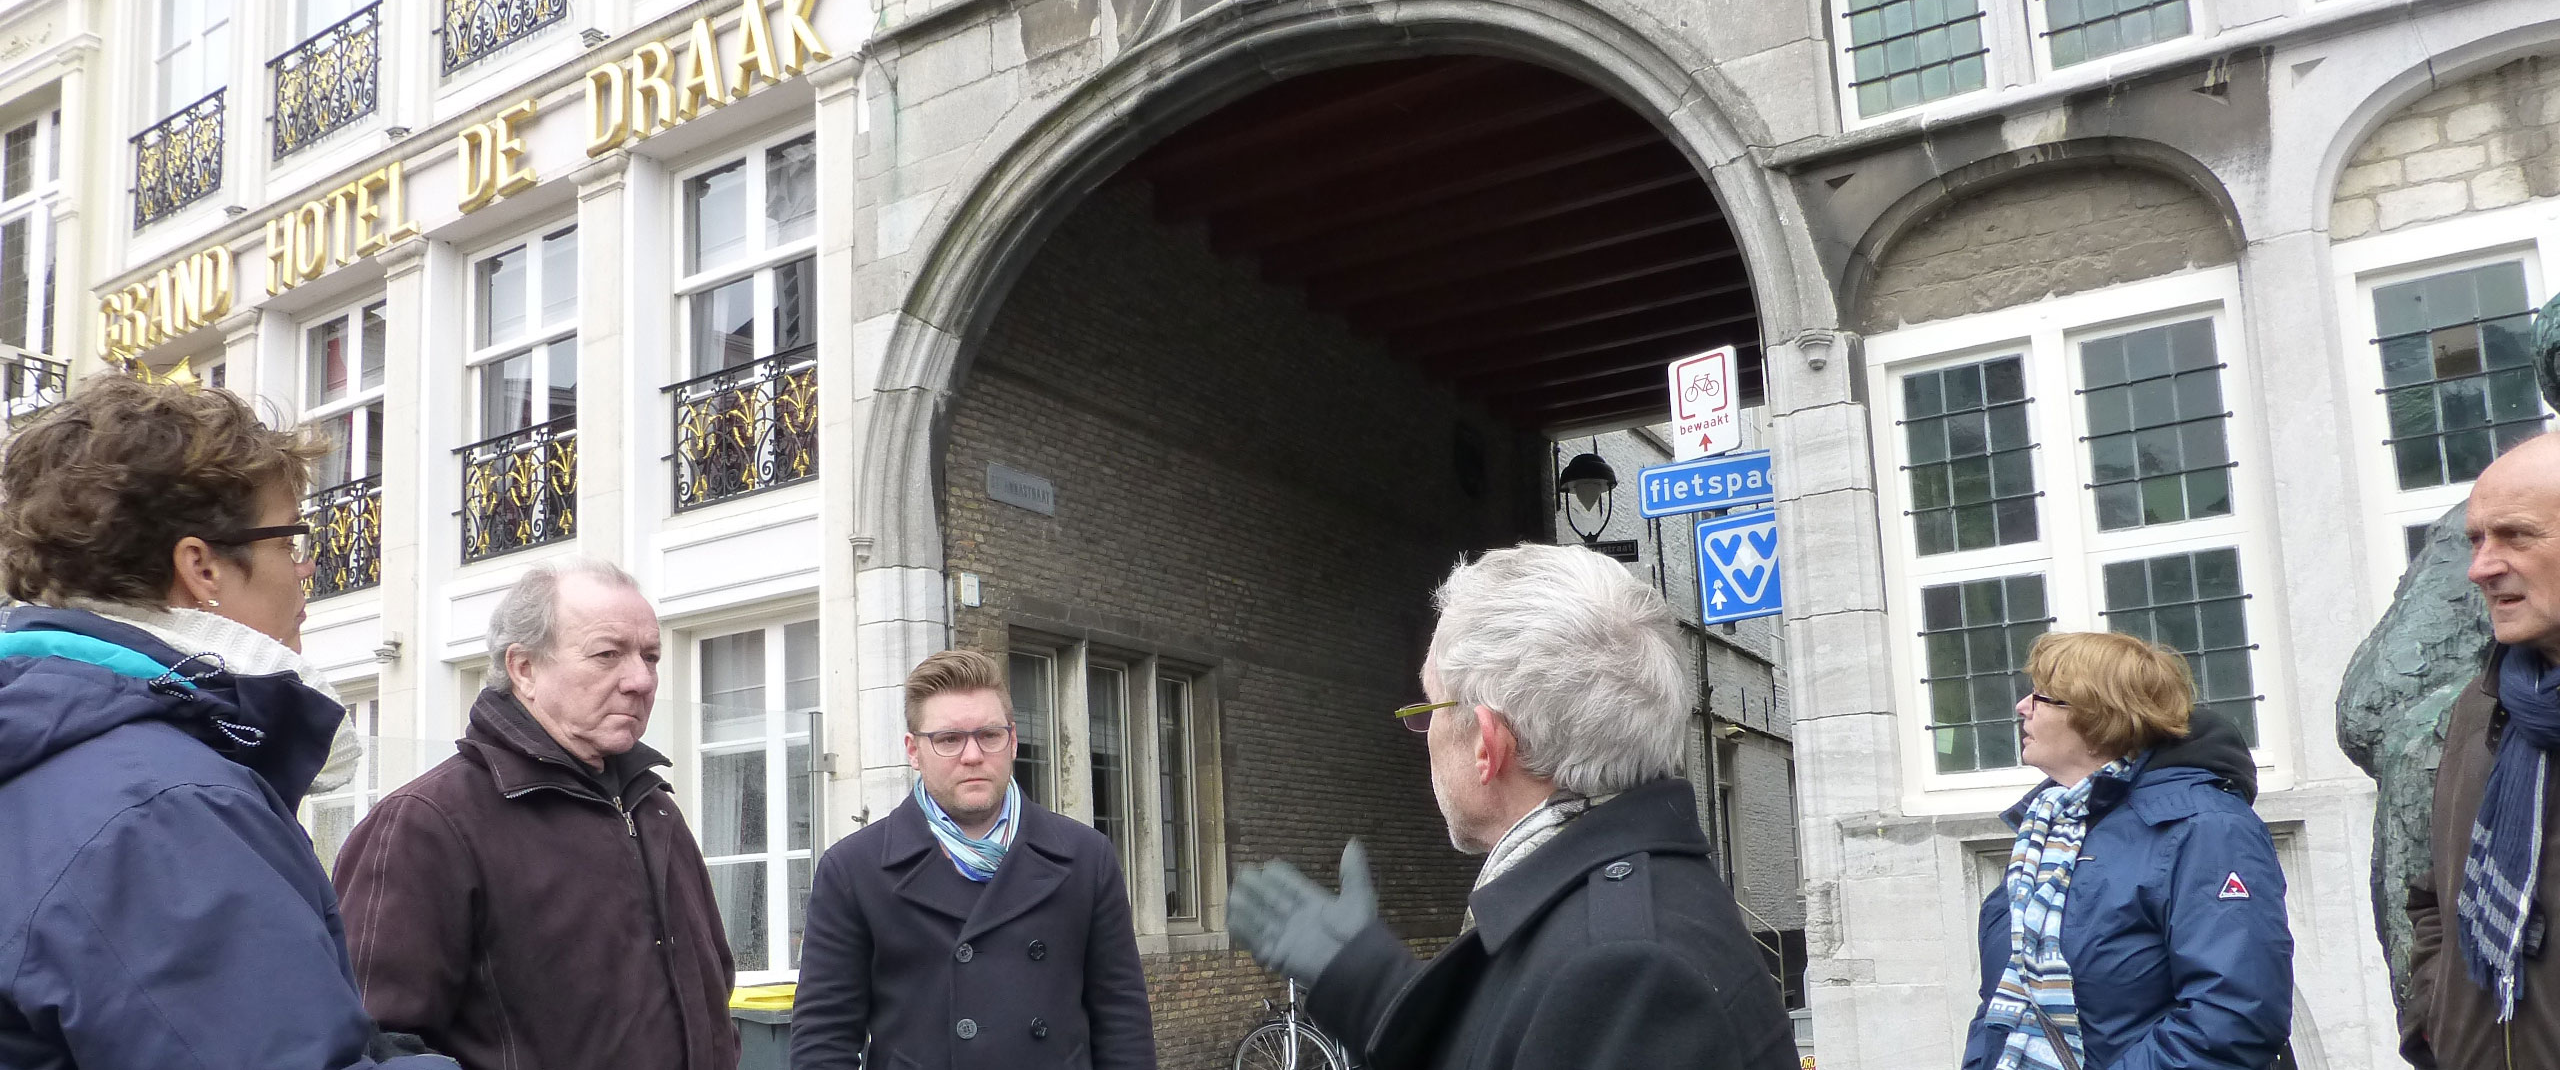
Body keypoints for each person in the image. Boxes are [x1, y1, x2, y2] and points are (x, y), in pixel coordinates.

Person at [0, 375, 453, 1067]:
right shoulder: (161, 809)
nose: (306, 571)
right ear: (202, 566)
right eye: (291, 540)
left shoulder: (57, 740)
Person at [1228, 543, 1794, 1070]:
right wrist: (1375, 991)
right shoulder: (1631, 914)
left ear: (1485, 743)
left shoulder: (1621, 972)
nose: (1423, 733)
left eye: (1428, 707)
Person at [333, 558, 738, 1070]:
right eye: (607, 654)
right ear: (524, 669)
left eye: (651, 657)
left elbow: (712, 996)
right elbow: (377, 1043)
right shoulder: (426, 822)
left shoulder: (654, 809)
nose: (640, 680)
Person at [791, 649, 1157, 1070]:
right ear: (913, 751)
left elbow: (1123, 1023)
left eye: (989, 735)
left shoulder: (1085, 858)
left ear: (1013, 740)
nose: (972, 755)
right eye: (948, 739)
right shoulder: (854, 869)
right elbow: (823, 1039)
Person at [1962, 631, 2293, 1070]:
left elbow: (2234, 1014)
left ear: (2098, 717)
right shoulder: (2047, 833)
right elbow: (2001, 1005)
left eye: (2042, 698)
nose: (2022, 706)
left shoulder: (2206, 826)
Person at [2405, 432, 2560, 1068]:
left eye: (2515, 535)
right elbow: (2433, 897)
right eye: (2476, 539)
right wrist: (2430, 1024)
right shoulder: (2484, 703)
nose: (2481, 567)